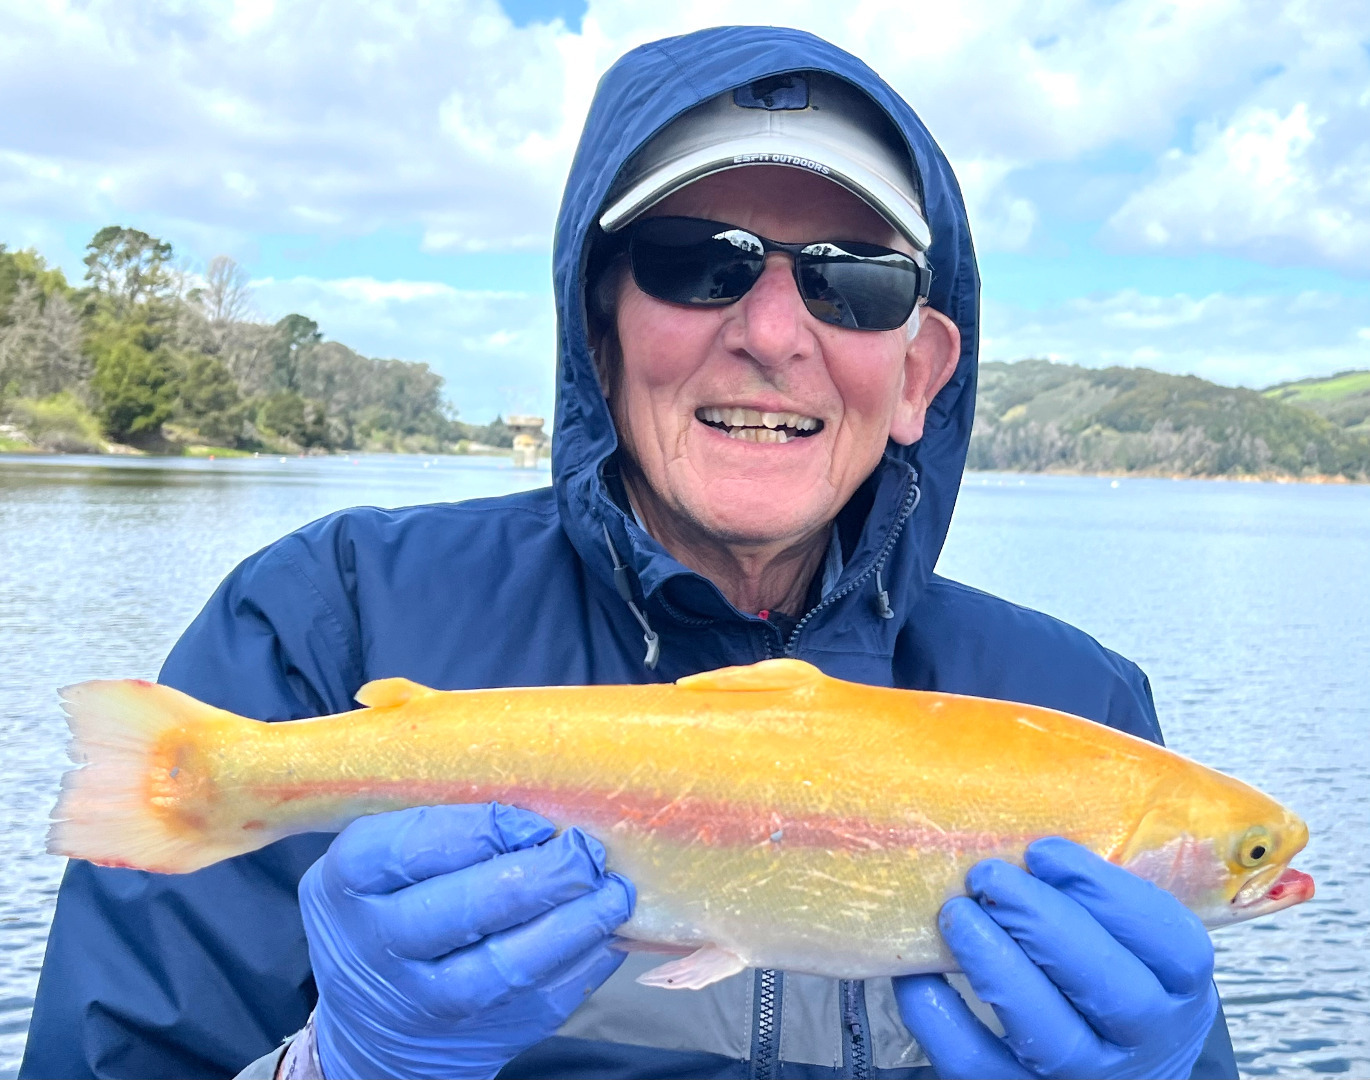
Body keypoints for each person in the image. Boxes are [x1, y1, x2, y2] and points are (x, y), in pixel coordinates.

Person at [22, 25, 1240, 1080]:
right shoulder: (320, 624)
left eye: (851, 282)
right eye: (694, 264)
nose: (771, 334)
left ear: (918, 372)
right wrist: (343, 1061)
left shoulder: (1083, 707)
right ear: (595, 331)